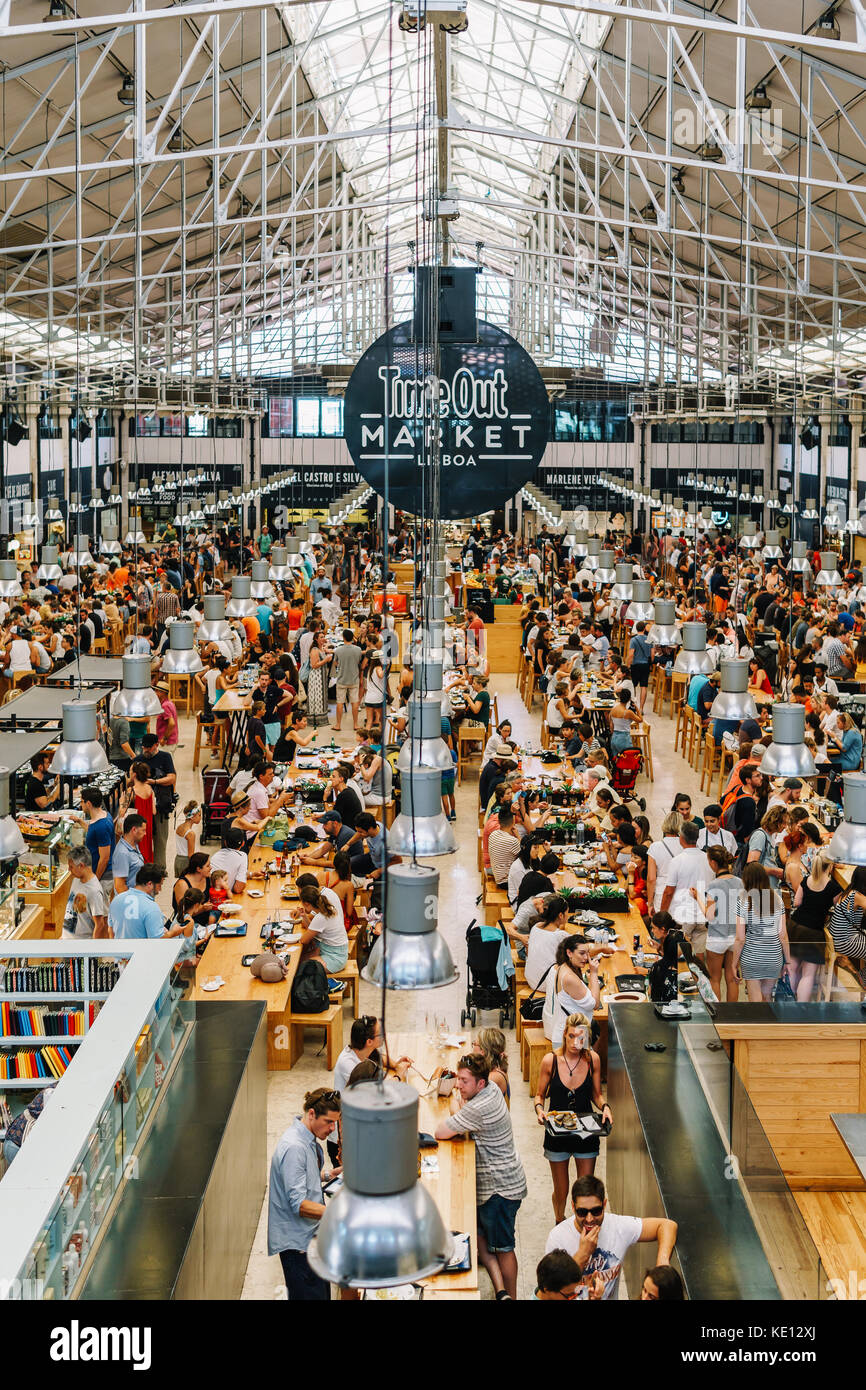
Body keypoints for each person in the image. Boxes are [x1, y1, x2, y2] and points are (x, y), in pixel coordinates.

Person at [435, 1053, 527, 1301]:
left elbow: (441, 1131)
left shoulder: (479, 1106)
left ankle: (512, 1297)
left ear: (481, 1083)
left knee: (504, 1249)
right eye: (458, 1080)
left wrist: (457, 1107)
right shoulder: (492, 1090)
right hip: (507, 1178)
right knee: (484, 1241)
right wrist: (459, 1106)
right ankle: (502, 1293)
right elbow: (460, 1112)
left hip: (500, 1189)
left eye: (464, 1081)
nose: (458, 1085)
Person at [544, 1176, 678, 1301]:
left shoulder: (617, 1226)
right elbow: (551, 1291)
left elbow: (667, 1225)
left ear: (604, 1204)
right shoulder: (558, 1238)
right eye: (582, 1212)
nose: (589, 1219)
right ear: (573, 1207)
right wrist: (582, 1255)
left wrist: (662, 1263)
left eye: (596, 1211)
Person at [267, 1088, 342, 1301]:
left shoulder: (305, 1139)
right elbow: (299, 1204)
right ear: (311, 1114)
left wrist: (328, 1174)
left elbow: (299, 1178)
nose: (332, 1128)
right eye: (329, 1122)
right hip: (299, 1249)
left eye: (335, 1122)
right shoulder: (294, 1148)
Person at [535, 1016, 611, 1222]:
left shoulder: (592, 1059)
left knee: (585, 1189)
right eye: (571, 1036)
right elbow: (539, 1095)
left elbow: (597, 1094)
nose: (576, 1042)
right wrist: (540, 1110)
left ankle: (582, 1227)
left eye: (581, 1037)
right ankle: (559, 1220)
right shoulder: (550, 1060)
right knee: (561, 1190)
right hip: (557, 1133)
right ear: (564, 1035)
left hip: (585, 1132)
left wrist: (605, 1107)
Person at [734, 861, 791, 1002]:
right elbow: (783, 935)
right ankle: (768, 1023)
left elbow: (740, 938)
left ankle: (757, 1024)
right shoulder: (778, 899)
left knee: (755, 1002)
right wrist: (788, 961)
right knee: (766, 997)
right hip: (773, 956)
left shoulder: (743, 900)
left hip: (752, 956)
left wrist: (733, 963)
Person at [788, 851, 838, 1001]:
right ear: (830, 867)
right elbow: (839, 908)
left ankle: (787, 1005)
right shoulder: (832, 887)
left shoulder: (806, 880)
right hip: (814, 932)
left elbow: (797, 902)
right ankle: (801, 1010)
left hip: (795, 927)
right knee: (808, 975)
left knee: (792, 969)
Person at [659, 820, 710, 957]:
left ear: (681, 838)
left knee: (673, 954)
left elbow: (669, 892)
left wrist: (662, 915)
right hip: (702, 914)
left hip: (682, 915)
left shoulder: (677, 861)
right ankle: (698, 978)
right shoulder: (708, 859)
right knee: (698, 957)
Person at [542, 935, 600, 1048]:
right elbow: (595, 1004)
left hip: (569, 1032)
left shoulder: (561, 967)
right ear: (569, 953)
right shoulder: (569, 978)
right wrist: (594, 974)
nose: (586, 958)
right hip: (572, 1039)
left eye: (588, 953)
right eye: (582, 953)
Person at [140, 732, 176, 870]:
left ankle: (160, 869)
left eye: (149, 747)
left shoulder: (165, 757)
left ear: (157, 745)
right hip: (142, 807)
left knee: (160, 839)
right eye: (144, 747)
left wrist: (154, 781)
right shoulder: (138, 759)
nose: (146, 750)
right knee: (143, 839)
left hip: (161, 806)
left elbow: (172, 778)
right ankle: (146, 868)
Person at [295, 883, 349, 972]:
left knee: (301, 966)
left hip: (335, 959)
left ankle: (331, 983)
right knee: (301, 959)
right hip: (337, 952)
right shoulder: (329, 909)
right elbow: (312, 929)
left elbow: (304, 940)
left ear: (307, 904)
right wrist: (304, 916)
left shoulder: (321, 917)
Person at [828, 864, 866, 987]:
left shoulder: (850, 890)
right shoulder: (857, 896)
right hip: (844, 941)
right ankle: (863, 978)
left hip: (837, 937)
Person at [64, 845, 109, 939]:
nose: (69, 870)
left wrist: (91, 951)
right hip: (67, 942)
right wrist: (64, 936)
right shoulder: (76, 879)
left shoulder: (94, 891)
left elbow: (100, 925)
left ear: (81, 866)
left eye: (71, 866)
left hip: (81, 948)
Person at [646, 811, 684, 913]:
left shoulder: (655, 847)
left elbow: (651, 879)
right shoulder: (686, 846)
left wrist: (650, 903)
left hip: (661, 893)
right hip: (681, 893)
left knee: (661, 926)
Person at [80, 785, 116, 892]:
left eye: (82, 801)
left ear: (88, 804)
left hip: (104, 876)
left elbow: (104, 858)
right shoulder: (104, 815)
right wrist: (79, 821)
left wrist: (95, 880)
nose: (81, 804)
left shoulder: (101, 826)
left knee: (101, 908)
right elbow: (93, 833)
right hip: (101, 874)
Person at [331, 629, 363, 732]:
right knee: (354, 702)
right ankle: (355, 724)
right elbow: (358, 661)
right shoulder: (358, 649)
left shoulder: (338, 650)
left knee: (340, 702)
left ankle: (338, 724)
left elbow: (335, 663)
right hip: (354, 679)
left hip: (341, 679)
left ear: (343, 638)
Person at [112, 813, 148, 895]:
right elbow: (120, 886)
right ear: (134, 830)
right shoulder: (122, 853)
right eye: (143, 830)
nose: (145, 834)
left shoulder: (134, 844)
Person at [473, 1027, 510, 1103]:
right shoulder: (496, 1067)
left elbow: (467, 1105)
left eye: (474, 1044)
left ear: (482, 1051)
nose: (472, 1047)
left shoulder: (493, 1078)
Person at [209, 827, 249, 894]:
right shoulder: (242, 856)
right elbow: (238, 889)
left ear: (225, 842)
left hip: (212, 897)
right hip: (225, 898)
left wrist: (250, 874)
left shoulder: (215, 856)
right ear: (243, 843)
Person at [174, 800, 201, 878]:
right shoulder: (190, 833)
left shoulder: (179, 827)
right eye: (199, 815)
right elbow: (190, 855)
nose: (200, 818)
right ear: (192, 817)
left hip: (178, 860)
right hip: (186, 862)